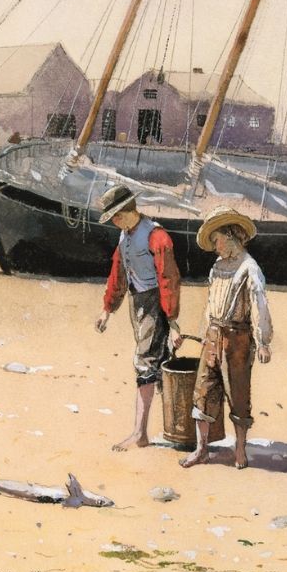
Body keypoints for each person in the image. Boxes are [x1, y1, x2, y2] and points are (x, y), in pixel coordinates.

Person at [182, 206, 272, 470]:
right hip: (213, 334)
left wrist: (263, 341)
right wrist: (202, 335)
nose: (215, 247)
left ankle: (240, 450)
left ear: (231, 236)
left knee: (238, 393)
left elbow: (259, 305)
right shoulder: (217, 267)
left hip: (238, 338)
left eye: (217, 240)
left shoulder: (249, 268)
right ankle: (201, 449)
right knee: (204, 390)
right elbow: (210, 304)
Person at [95, 185, 183, 451]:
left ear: (126, 211)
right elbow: (118, 275)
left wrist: (173, 321)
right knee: (161, 361)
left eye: (115, 216)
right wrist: (107, 310)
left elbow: (169, 280)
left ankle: (140, 434)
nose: (114, 221)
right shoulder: (125, 237)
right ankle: (177, 427)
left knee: (145, 362)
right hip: (138, 303)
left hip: (156, 303)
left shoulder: (156, 236)